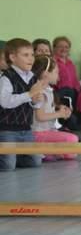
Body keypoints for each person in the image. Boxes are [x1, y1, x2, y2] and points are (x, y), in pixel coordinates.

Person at [0, 39, 46, 172]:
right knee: (7, 166)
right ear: (12, 57)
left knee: (35, 161)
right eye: (25, 55)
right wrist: (29, 94)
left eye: (32, 55)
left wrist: (36, 100)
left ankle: (12, 157)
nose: (31, 58)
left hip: (26, 129)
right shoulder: (6, 78)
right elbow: (5, 102)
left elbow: (35, 105)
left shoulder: (33, 77)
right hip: (6, 129)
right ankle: (9, 158)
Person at [30, 56, 78, 161]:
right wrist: (59, 114)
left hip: (49, 131)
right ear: (45, 74)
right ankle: (45, 151)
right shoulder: (39, 92)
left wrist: (60, 108)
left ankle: (47, 152)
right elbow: (40, 116)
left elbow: (47, 107)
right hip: (38, 134)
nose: (58, 76)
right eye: (56, 72)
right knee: (72, 139)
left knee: (71, 151)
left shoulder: (48, 90)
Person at [51, 36, 81, 130]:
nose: (64, 49)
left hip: (71, 94)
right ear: (54, 48)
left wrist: (79, 93)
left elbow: (74, 80)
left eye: (66, 47)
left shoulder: (70, 63)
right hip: (57, 93)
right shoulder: (52, 61)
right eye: (60, 46)